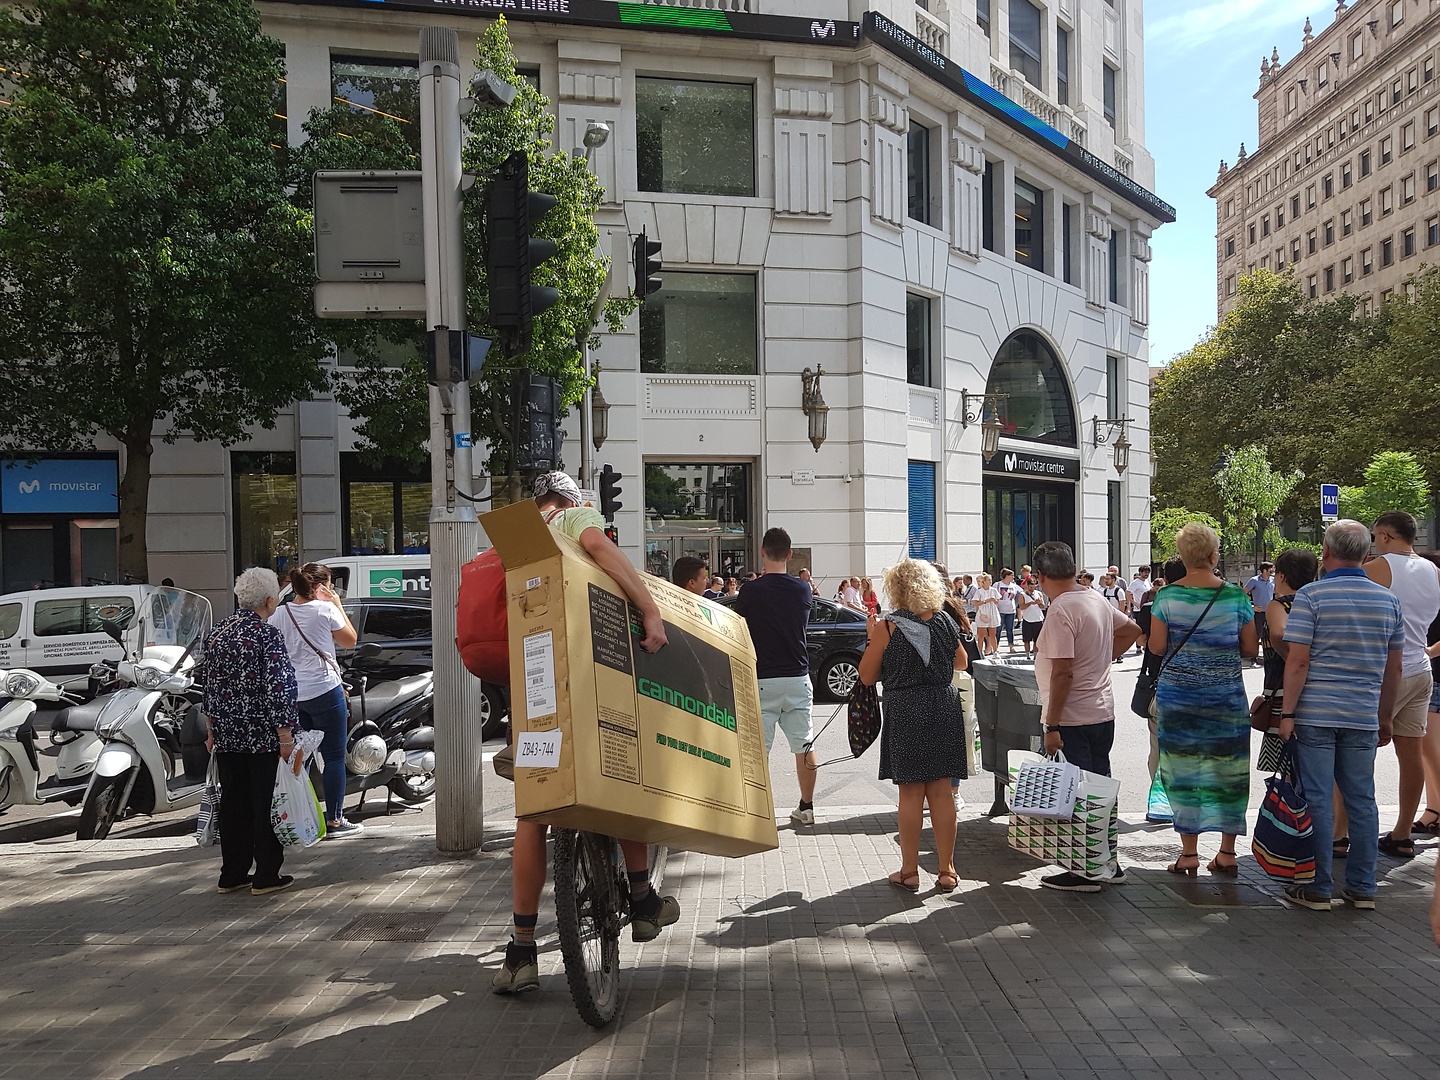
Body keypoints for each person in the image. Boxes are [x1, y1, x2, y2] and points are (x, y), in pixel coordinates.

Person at [493, 473, 678, 995]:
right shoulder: (576, 520)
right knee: (623, 779)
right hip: (588, 681)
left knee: (533, 812)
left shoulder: (520, 539)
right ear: (572, 501)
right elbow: (598, 547)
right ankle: (641, 898)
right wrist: (650, 610)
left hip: (534, 695)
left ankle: (522, 950)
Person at [1278, 519, 1404, 912]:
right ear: (1367, 554)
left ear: (1326, 553)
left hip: (1317, 712)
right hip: (1362, 713)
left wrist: (1287, 713)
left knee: (1318, 798)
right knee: (1362, 800)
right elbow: (1393, 668)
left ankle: (1319, 886)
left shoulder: (1311, 597)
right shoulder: (1388, 601)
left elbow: (1297, 662)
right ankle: (1363, 885)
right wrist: (1384, 716)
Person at [1148, 523, 1258, 878]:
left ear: (1183, 557)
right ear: (1213, 556)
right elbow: (1250, 649)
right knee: (1230, 770)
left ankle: (1189, 853)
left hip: (1178, 699)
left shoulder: (1166, 597)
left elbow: (1157, 647)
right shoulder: (1236, 596)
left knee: (1183, 771)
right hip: (1226, 699)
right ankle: (1227, 853)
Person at [1032, 541, 1142, 891]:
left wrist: (1052, 724)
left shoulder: (1062, 609)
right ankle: (1108, 861)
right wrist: (1100, 660)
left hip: (1072, 716)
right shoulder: (1094, 597)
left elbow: (1062, 672)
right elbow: (1133, 630)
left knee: (1079, 793)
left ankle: (1085, 869)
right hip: (1101, 711)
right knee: (1101, 788)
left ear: (1040, 576)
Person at [858, 558, 967, 893]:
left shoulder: (887, 627)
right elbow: (962, 662)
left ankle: (909, 871)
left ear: (897, 589)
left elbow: (865, 675)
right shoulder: (945, 622)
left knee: (910, 792)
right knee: (942, 792)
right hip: (943, 705)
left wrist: (872, 638)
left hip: (905, 709)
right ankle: (947, 870)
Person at [199, 568, 302, 896]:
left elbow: (209, 685)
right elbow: (279, 687)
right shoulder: (266, 634)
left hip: (228, 735)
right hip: (262, 737)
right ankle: (266, 874)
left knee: (234, 805)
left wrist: (211, 728)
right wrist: (286, 736)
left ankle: (232, 874)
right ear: (271, 600)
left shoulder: (218, 631)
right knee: (266, 804)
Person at [1363, 511, 1440, 860]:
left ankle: (1344, 831)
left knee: (1357, 751)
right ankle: (1403, 832)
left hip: (1385, 672)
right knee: (1410, 755)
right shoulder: (1432, 570)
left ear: (1385, 536)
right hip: (1421, 668)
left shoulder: (1378, 568)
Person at [271, 563, 363, 839]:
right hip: (325, 690)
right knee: (334, 756)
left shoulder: (279, 613)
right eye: (330, 585)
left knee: (301, 756)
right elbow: (350, 641)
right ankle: (335, 819)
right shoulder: (325, 609)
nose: (333, 590)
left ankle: (303, 818)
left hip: (293, 695)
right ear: (318, 587)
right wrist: (336, 604)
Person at [733, 527, 818, 825]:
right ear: (790, 555)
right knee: (804, 745)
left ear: (761, 552)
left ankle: (758, 811)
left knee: (757, 750)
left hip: (761, 678)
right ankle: (806, 807)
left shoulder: (751, 591)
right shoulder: (802, 589)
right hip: (797, 675)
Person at [1256, 548, 1320, 775]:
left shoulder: (1279, 605)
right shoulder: (1315, 602)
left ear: (1281, 576)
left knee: (1288, 766)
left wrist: (1291, 657)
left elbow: (1278, 633)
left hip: (1282, 689)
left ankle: (1293, 810)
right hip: (1314, 691)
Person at [1417, 553, 1440, 839]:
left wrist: (1432, 650)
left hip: (1436, 675)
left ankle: (1434, 809)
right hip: (1432, 675)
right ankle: (1433, 809)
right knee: (1426, 748)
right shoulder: (1429, 595)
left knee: (1428, 748)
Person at [1245, 563, 1276, 668]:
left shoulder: (1273, 580)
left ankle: (1269, 658)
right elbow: (1242, 594)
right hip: (1259, 613)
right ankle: (1253, 659)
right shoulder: (1254, 580)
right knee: (1257, 635)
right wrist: (1251, 607)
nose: (1272, 571)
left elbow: (1277, 594)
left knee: (1271, 635)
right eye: (1270, 569)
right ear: (1265, 570)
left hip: (1271, 613)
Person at [972, 572, 1000, 656]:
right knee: (981, 634)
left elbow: (997, 601)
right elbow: (975, 603)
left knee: (992, 634)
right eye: (988, 580)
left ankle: (995, 651)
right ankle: (979, 652)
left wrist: (994, 600)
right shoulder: (979, 592)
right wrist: (985, 601)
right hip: (983, 613)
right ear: (983, 582)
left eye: (991, 580)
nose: (990, 581)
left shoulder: (993, 590)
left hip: (992, 612)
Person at [995, 569, 1022, 652]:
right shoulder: (998, 584)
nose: (1013, 577)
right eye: (1011, 575)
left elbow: (1019, 593)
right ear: (1006, 576)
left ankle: (1011, 646)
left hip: (1011, 610)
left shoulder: (1013, 586)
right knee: (998, 629)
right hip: (1000, 610)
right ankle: (996, 646)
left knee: (1010, 629)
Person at [1018, 579, 1046, 656]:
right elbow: (1021, 607)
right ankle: (1027, 655)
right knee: (1026, 639)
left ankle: (1035, 655)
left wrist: (1039, 603)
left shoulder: (1039, 593)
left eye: (1033, 587)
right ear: (1027, 586)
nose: (1032, 589)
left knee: (1037, 639)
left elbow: (1043, 606)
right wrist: (1030, 603)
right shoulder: (1022, 595)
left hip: (1038, 618)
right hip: (1027, 619)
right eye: (1030, 587)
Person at [1127, 566, 1152, 654]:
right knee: (1140, 628)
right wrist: (1134, 603)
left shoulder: (1147, 582)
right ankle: (1138, 646)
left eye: (1148, 573)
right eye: (1145, 572)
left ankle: (1145, 645)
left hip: (1147, 607)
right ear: (1140, 572)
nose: (1146, 574)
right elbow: (1128, 592)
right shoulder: (1135, 583)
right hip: (1139, 609)